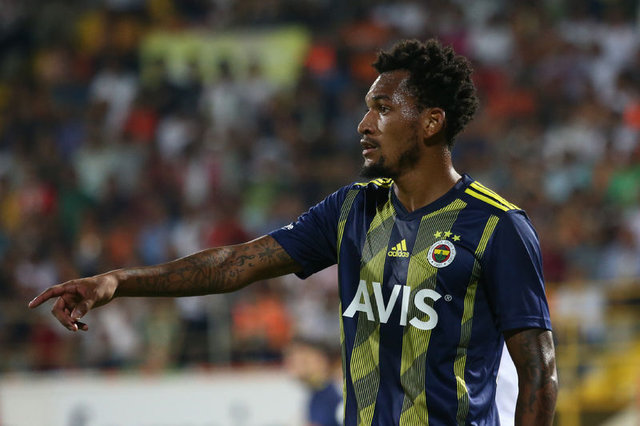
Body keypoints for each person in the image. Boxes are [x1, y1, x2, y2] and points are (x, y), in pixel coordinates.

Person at [29, 39, 557, 425]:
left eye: (382, 109)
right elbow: (234, 264)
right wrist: (118, 281)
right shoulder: (353, 209)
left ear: (431, 122)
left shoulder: (498, 227)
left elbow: (539, 372)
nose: (364, 124)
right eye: (366, 108)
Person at [284, 337, 343, 426]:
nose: (297, 365)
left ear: (321, 360)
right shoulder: (316, 394)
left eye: (304, 361)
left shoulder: (333, 392)